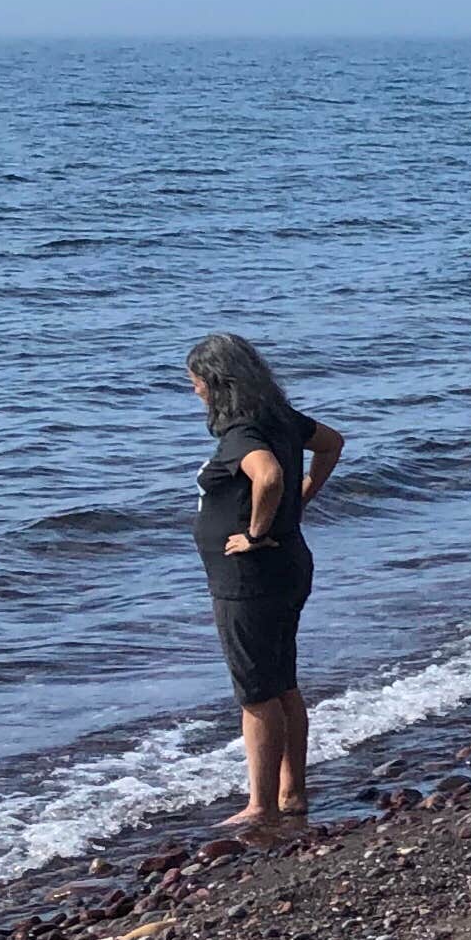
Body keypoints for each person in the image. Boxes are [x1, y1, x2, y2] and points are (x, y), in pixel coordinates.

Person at [186, 332, 343, 836]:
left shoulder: (242, 433)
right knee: (283, 683)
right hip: (290, 563)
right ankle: (291, 791)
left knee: (256, 692)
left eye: (196, 383)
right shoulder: (281, 419)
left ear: (216, 383)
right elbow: (332, 443)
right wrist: (306, 496)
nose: (194, 393)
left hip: (250, 577)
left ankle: (260, 806)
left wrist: (255, 533)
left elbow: (268, 476)